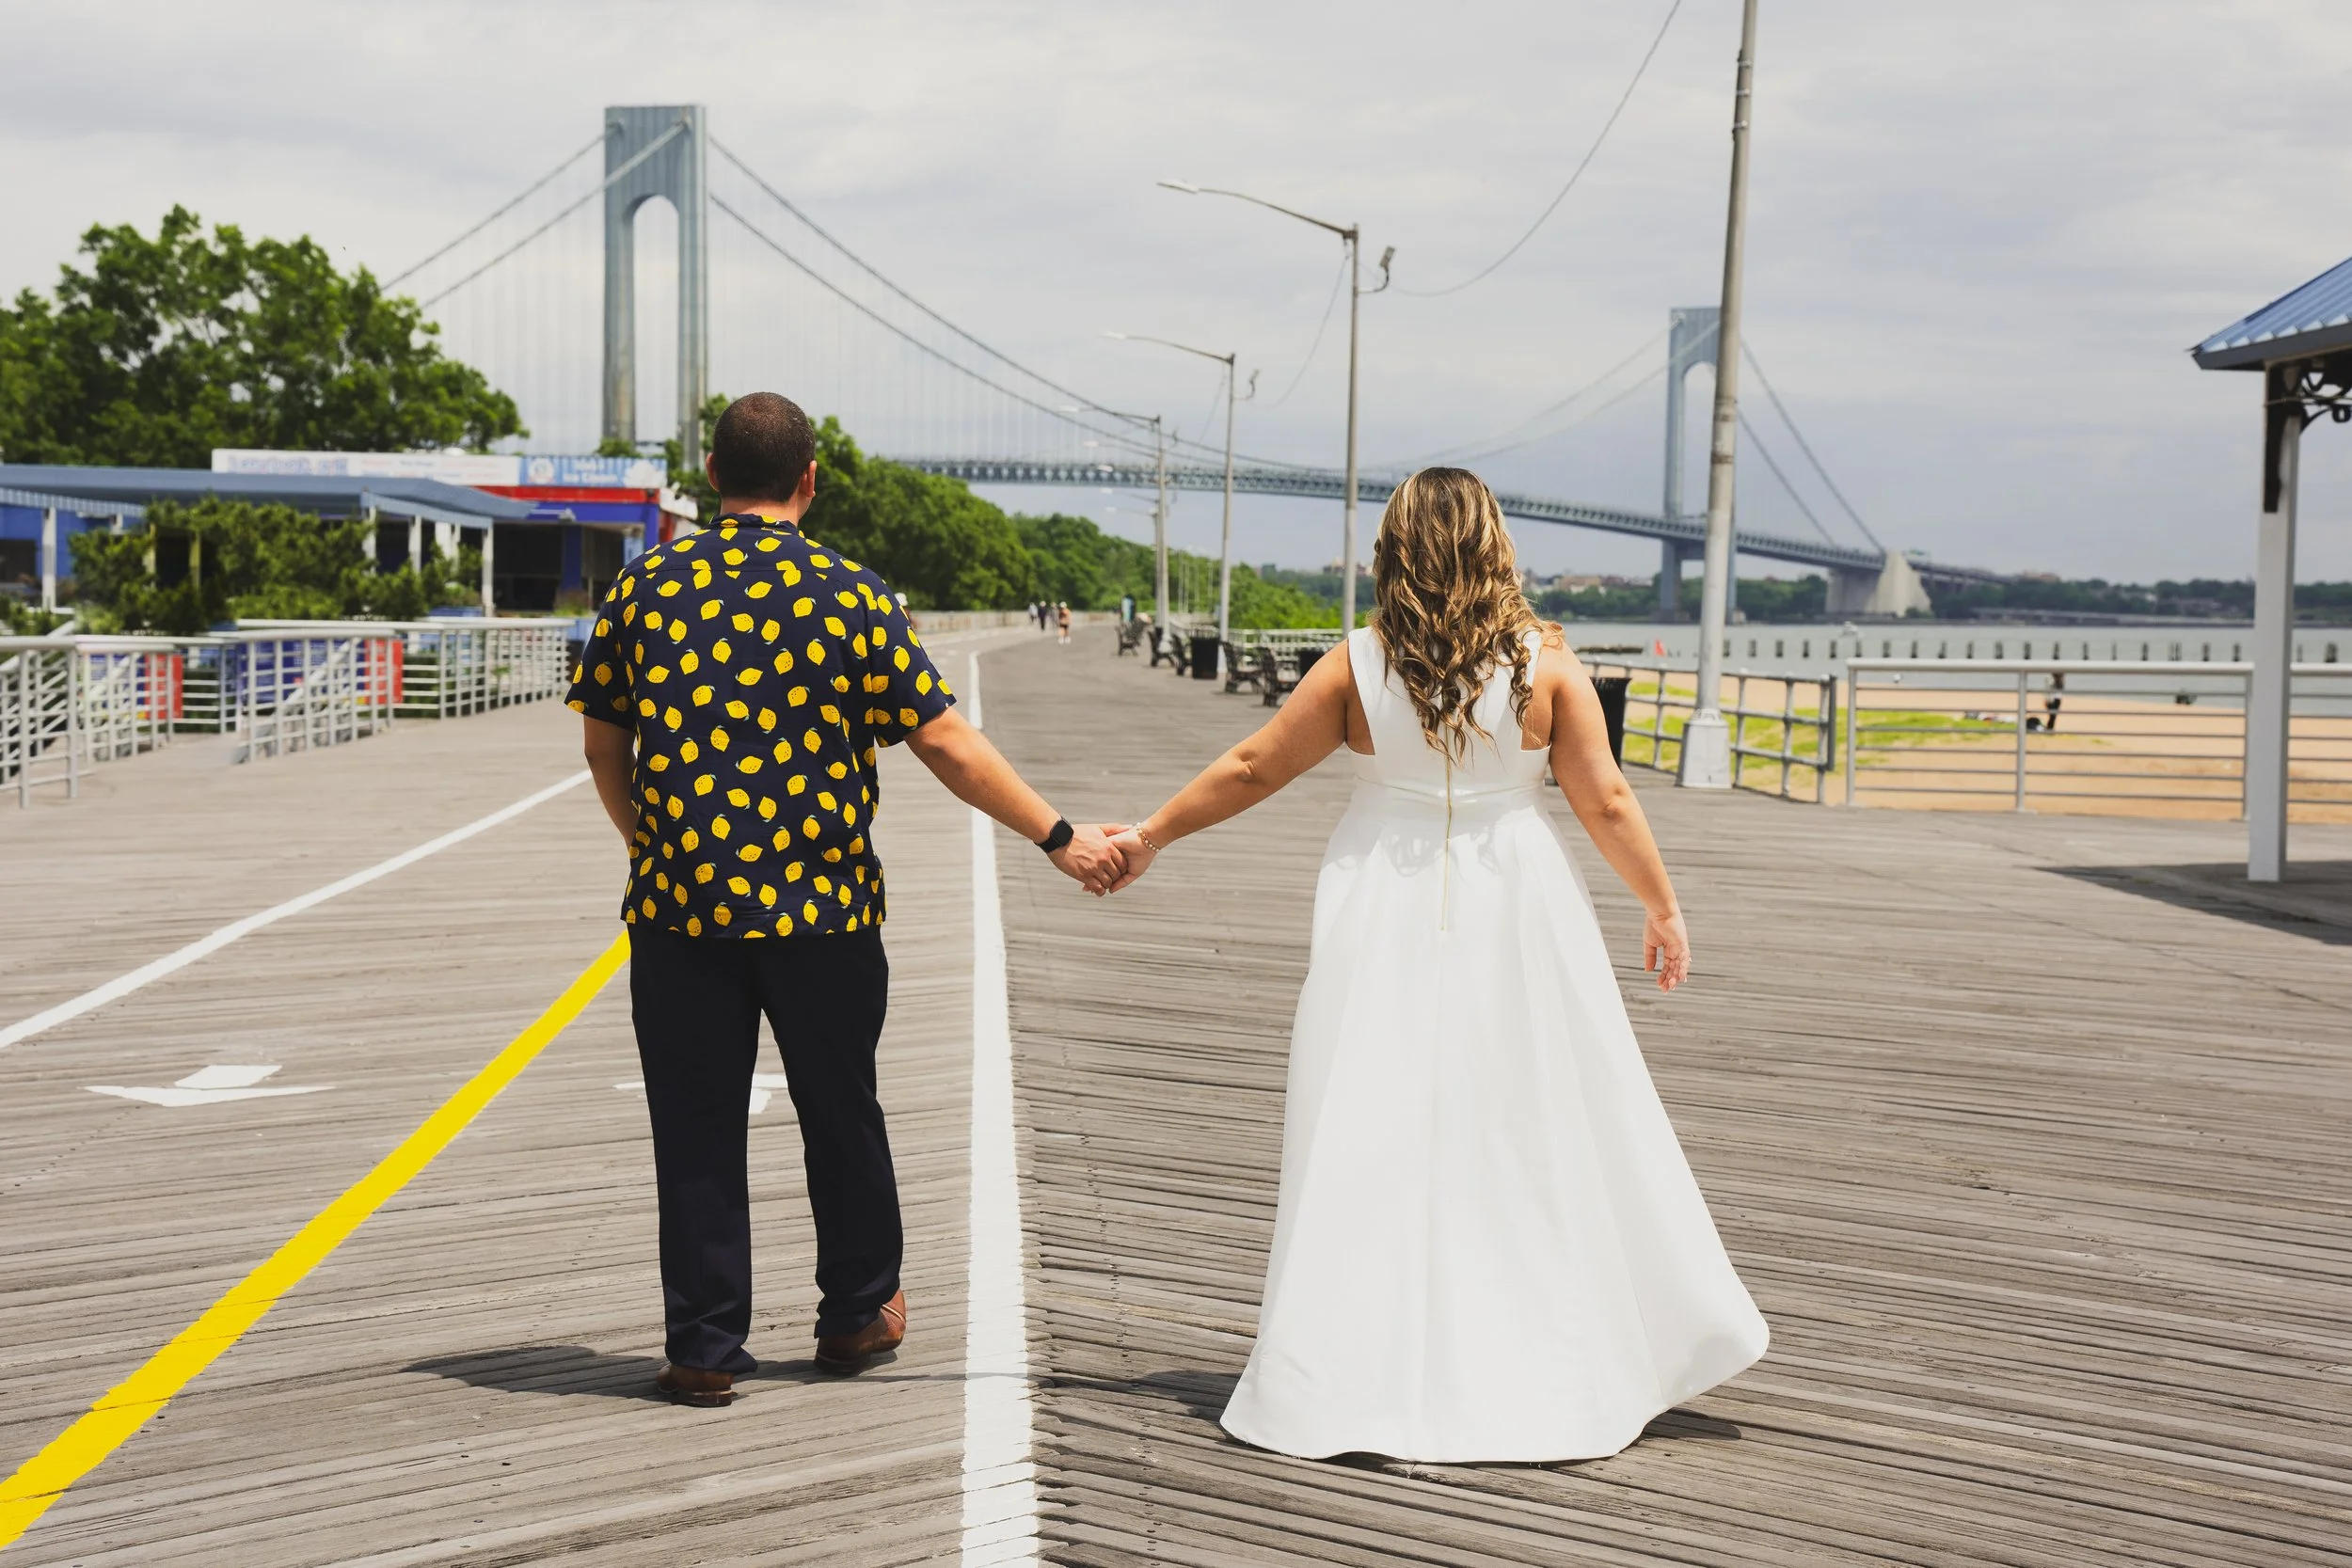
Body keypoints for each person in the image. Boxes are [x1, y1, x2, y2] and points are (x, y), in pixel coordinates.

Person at [1104, 467, 1768, 1462]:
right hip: (1520, 904)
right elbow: (1607, 798)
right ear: (1495, 544)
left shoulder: (1354, 666)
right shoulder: (1548, 666)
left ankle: (1357, 1356)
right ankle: (1553, 1347)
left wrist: (1150, 834)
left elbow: (1251, 767)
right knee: (1533, 1115)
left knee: (1371, 1116)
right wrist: (1660, 904)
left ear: (1393, 550)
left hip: (1383, 898)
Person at [571, 392, 1126, 1406]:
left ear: (710, 473)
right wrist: (1058, 835)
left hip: (678, 912)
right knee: (841, 1111)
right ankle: (857, 1308)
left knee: (695, 1124)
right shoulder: (851, 592)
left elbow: (604, 741)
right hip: (821, 913)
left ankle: (702, 1341)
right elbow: (946, 742)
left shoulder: (645, 588)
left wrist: (648, 845)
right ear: (809, 480)